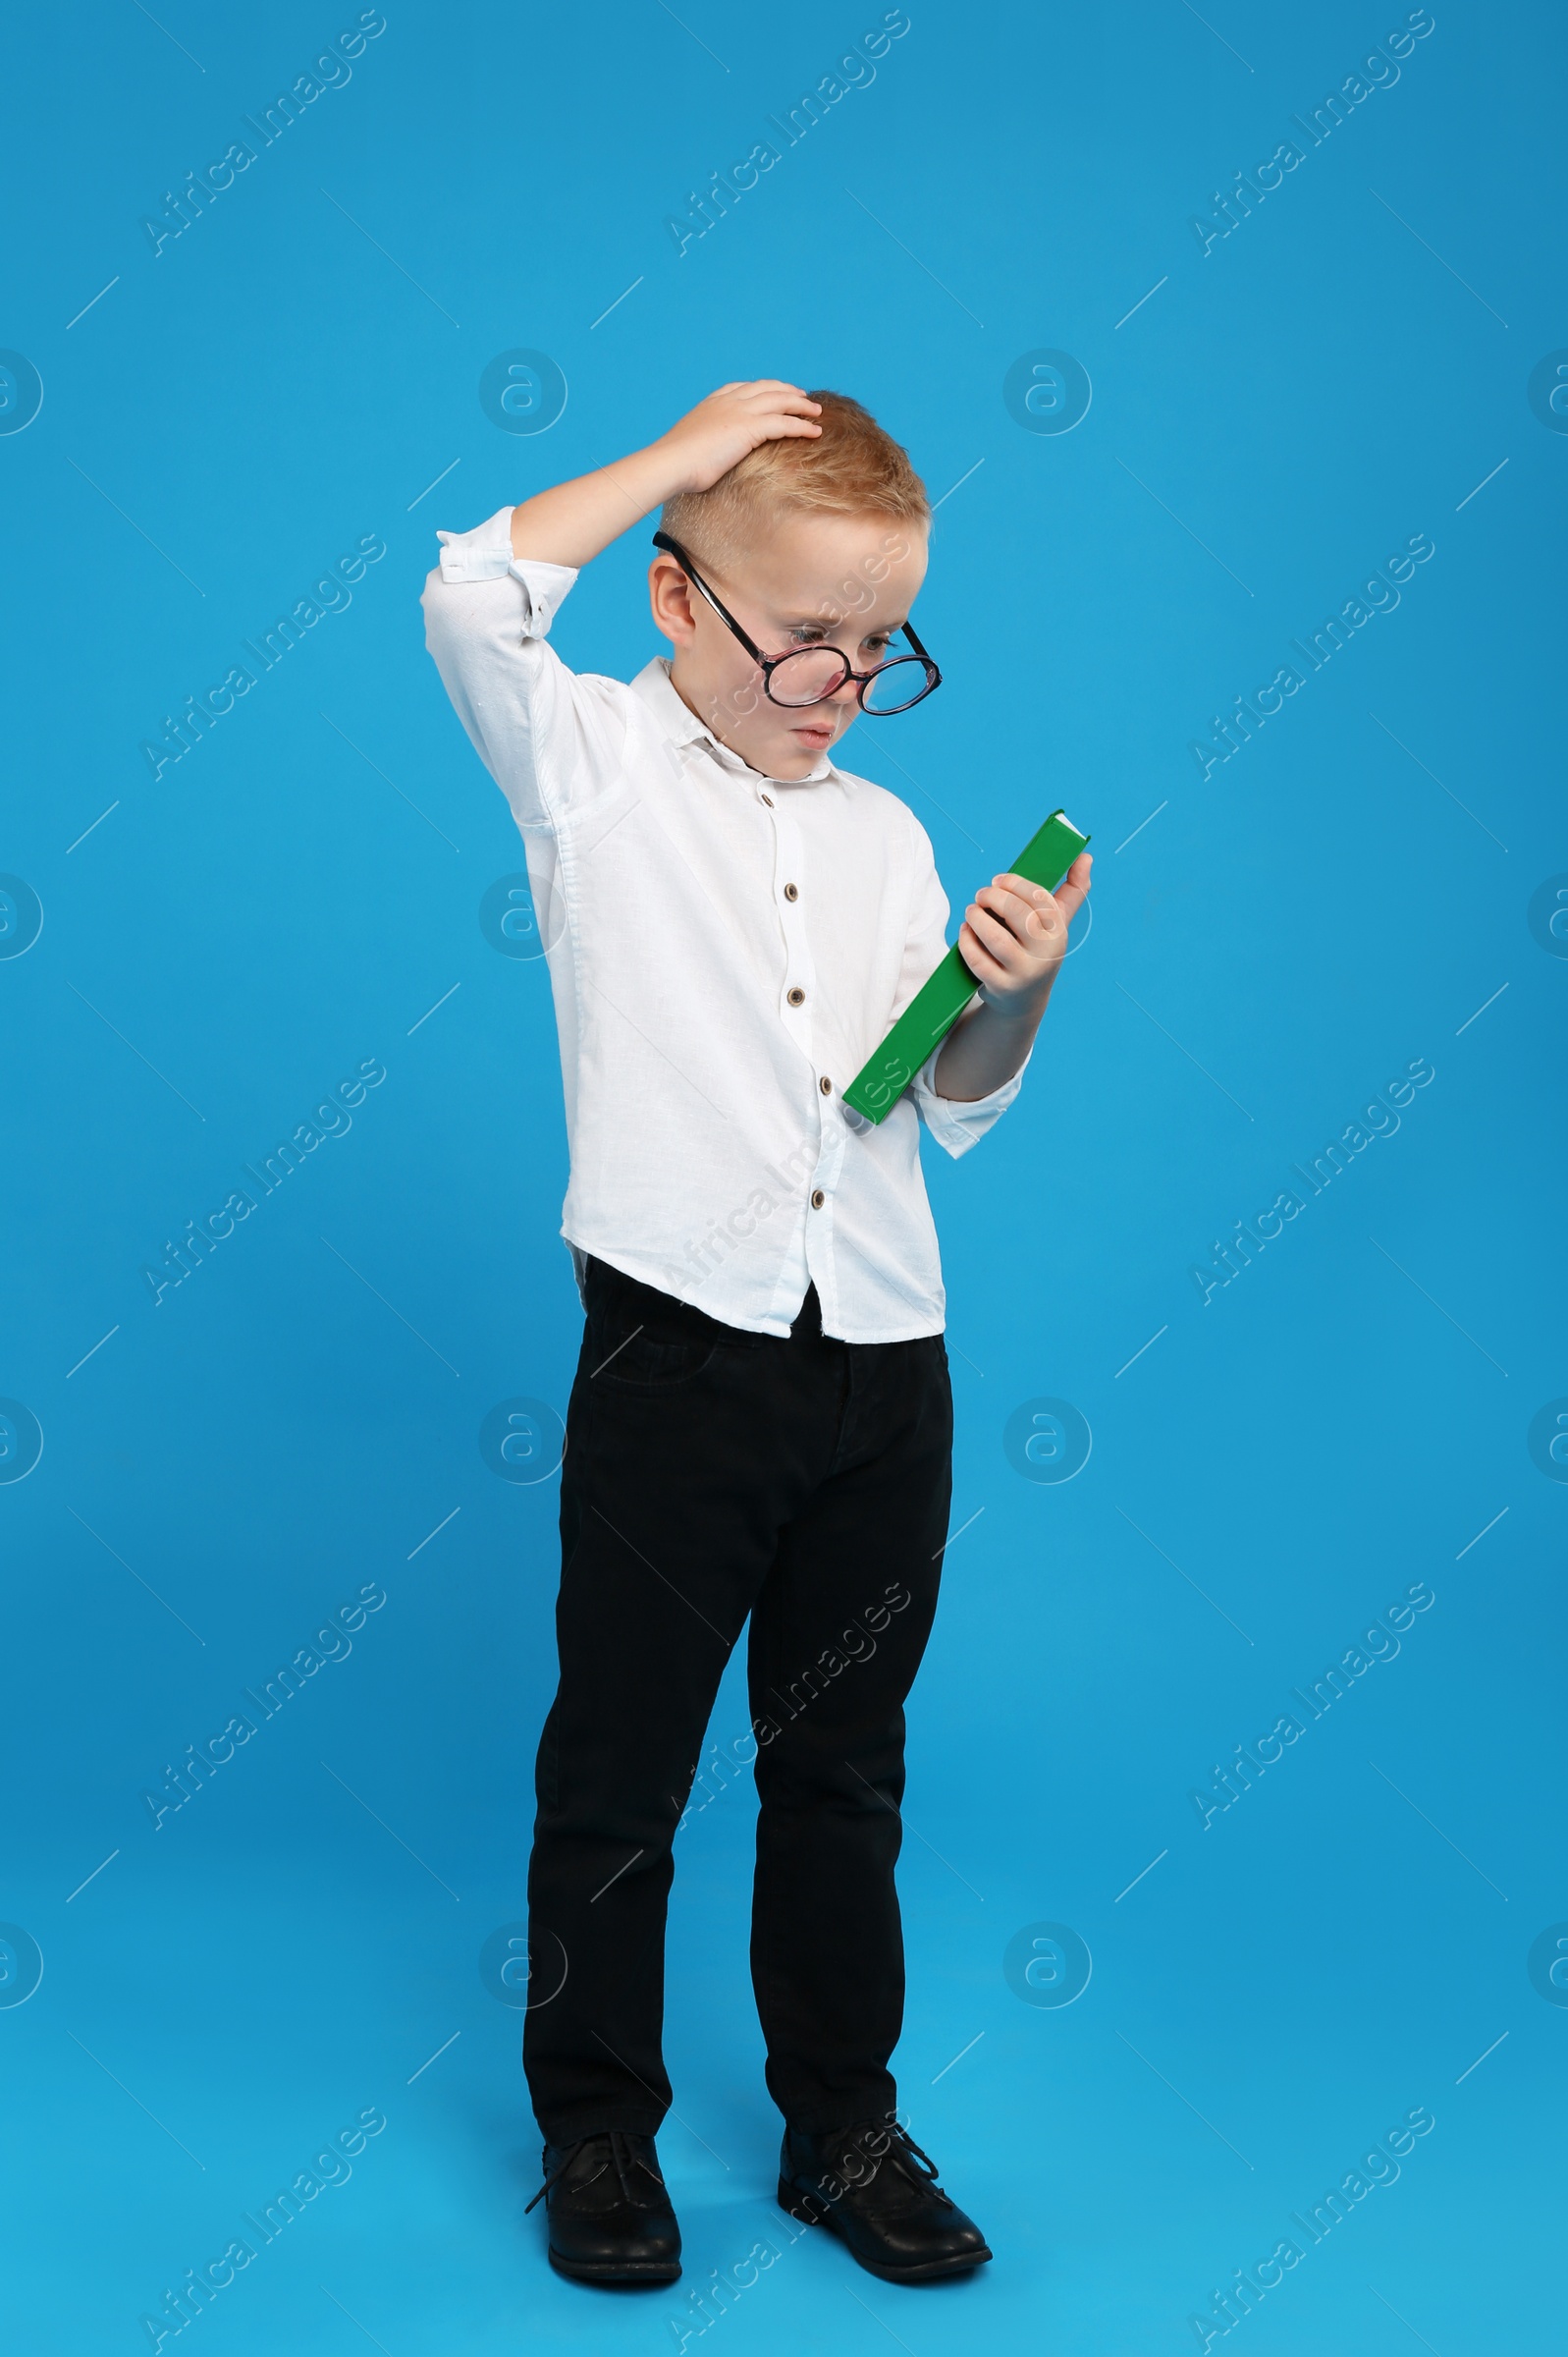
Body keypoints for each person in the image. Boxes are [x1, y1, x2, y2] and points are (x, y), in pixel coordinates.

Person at [421, 381, 1092, 2287]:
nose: (839, 679)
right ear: (675, 599)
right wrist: (687, 448)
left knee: (841, 1769)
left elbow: (932, 1104)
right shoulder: (591, 768)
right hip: (678, 1358)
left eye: (880, 649)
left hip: (885, 1363)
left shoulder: (883, 828)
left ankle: (839, 2129)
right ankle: (594, 2132)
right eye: (805, 632)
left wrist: (1009, 995)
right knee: (617, 1768)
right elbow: (468, 595)